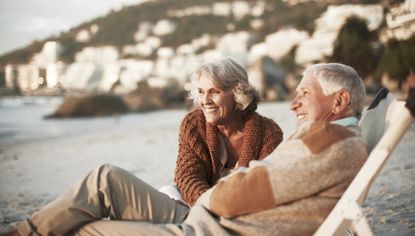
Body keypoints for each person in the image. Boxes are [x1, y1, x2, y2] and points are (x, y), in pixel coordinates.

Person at [2, 62, 367, 236]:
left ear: (339, 102)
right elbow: (191, 174)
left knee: (83, 230)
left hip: (211, 227)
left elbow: (248, 191)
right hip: (204, 215)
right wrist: (209, 196)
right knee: (104, 178)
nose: (294, 104)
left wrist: (214, 196)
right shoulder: (333, 143)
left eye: (303, 94)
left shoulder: (323, 142)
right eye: (201, 92)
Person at [173, 58, 283, 205]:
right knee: (167, 191)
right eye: (201, 92)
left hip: (243, 212)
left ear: (238, 94)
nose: (205, 100)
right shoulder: (193, 124)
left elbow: (263, 186)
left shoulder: (268, 132)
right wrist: (213, 205)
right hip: (201, 207)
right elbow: (187, 177)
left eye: (214, 92)